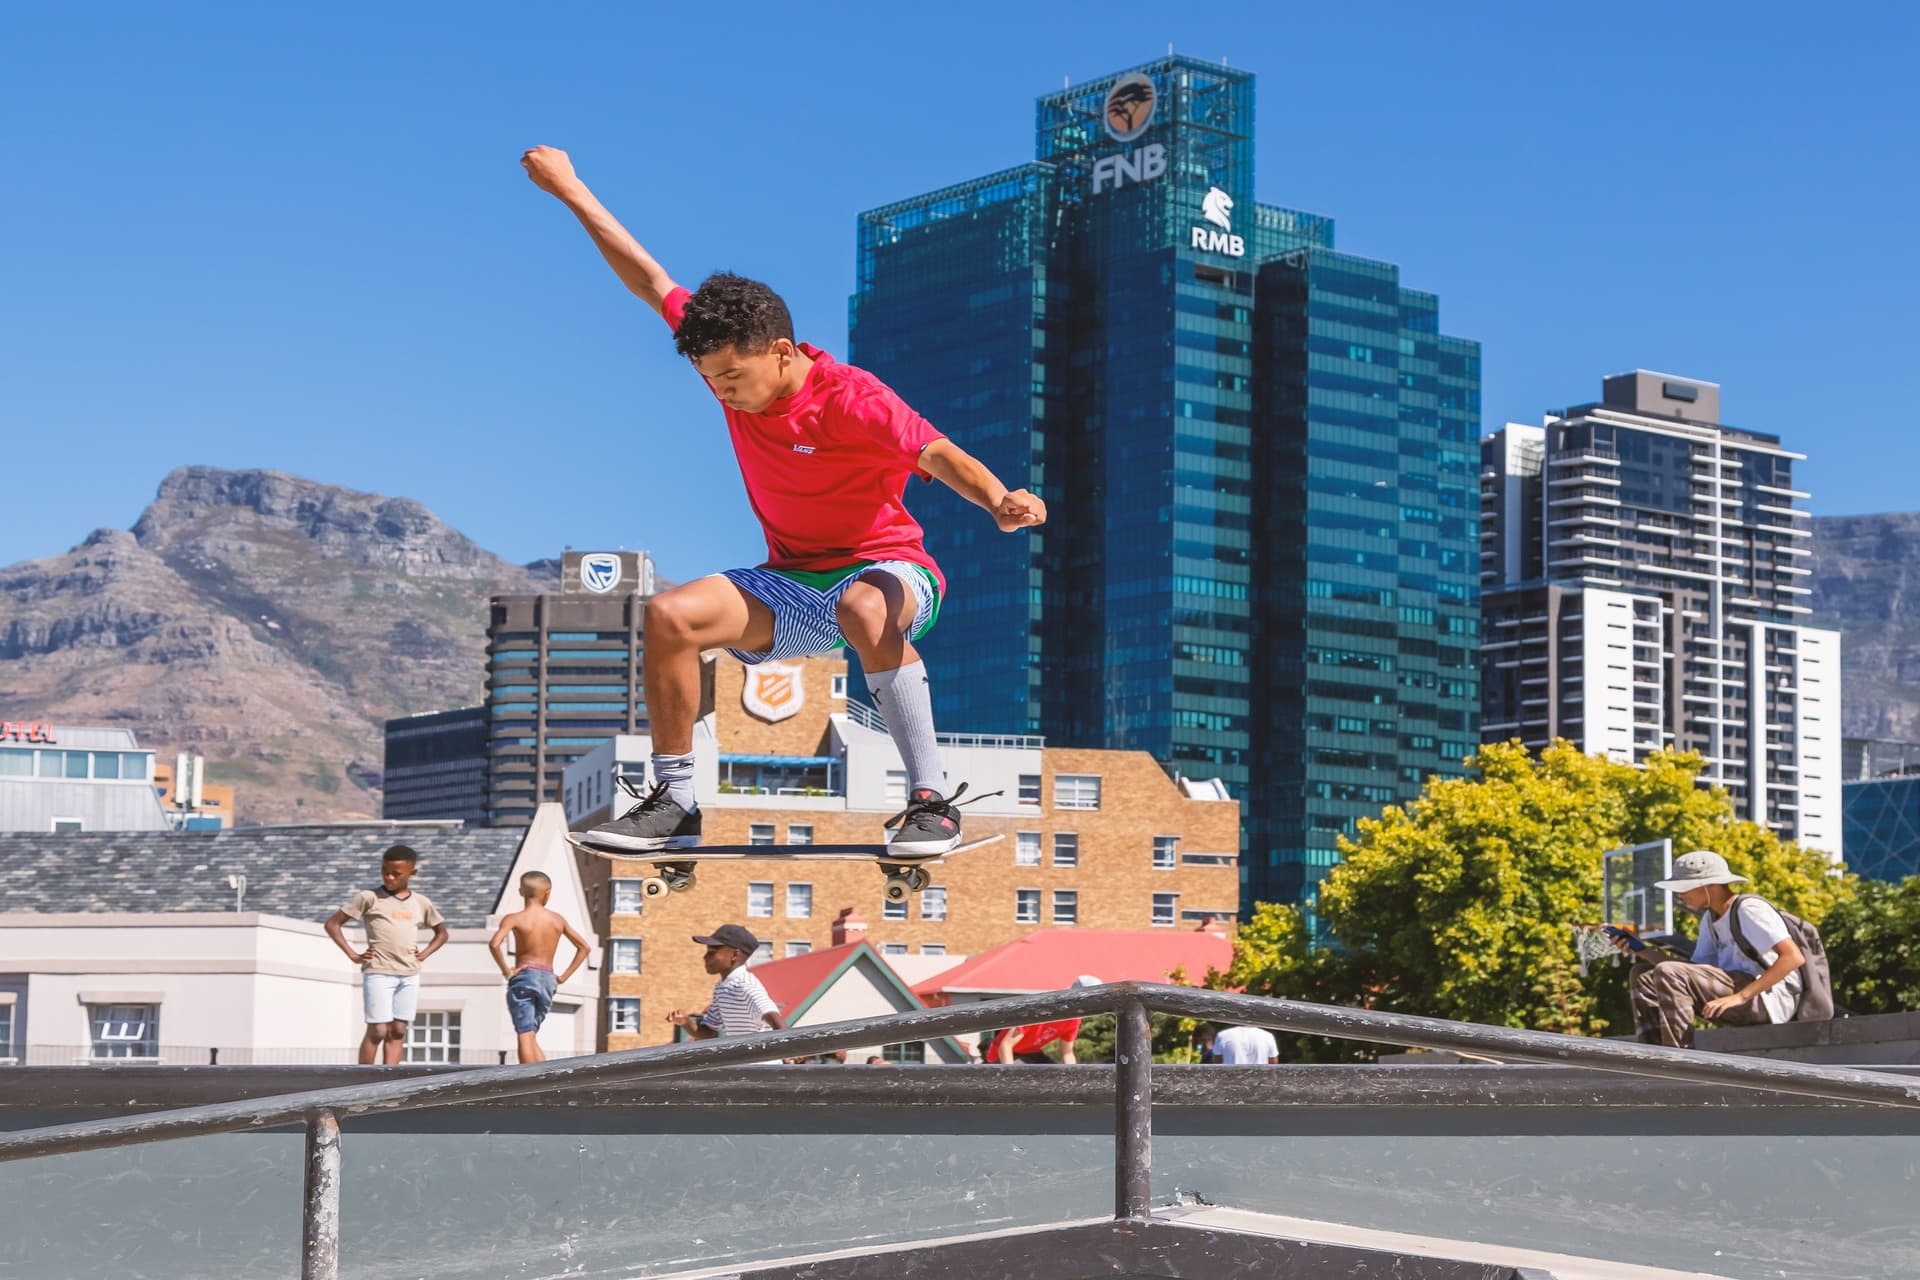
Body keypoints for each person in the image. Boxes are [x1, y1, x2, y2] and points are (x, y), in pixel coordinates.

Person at [522, 145, 1047, 858]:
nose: (723, 392)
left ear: (777, 351)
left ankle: (930, 801)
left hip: (893, 573)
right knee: (671, 615)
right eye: (711, 379)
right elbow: (650, 278)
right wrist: (571, 189)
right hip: (794, 582)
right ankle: (676, 802)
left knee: (864, 604)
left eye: (732, 376)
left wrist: (997, 500)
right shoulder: (728, 363)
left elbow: (938, 453)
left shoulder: (854, 399)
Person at [1614, 850, 1806, 1048]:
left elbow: (1793, 957)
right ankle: (1652, 1054)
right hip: (1738, 993)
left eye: (1685, 887)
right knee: (1642, 975)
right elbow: (1690, 972)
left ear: (1710, 885)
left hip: (1769, 1001)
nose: (1680, 895)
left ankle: (1679, 1057)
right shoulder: (1710, 919)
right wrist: (1642, 950)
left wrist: (1740, 997)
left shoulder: (1749, 909)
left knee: (1669, 971)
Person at [323, 845, 448, 1065]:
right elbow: (333, 924)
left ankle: (390, 1082)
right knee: (378, 1029)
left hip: (409, 974)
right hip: (378, 972)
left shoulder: (421, 902)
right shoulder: (369, 898)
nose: (389, 877)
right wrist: (353, 955)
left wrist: (424, 954)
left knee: (398, 1030)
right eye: (385, 872)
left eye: (396, 874)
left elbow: (442, 934)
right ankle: (363, 1079)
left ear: (412, 873)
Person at [488, 871, 590, 1063]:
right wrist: (563, 977)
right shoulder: (557, 920)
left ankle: (529, 1080)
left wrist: (507, 971)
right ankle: (545, 1076)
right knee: (531, 1033)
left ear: (521, 892)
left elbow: (494, 944)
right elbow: (584, 947)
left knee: (524, 1032)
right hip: (548, 979)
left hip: (525, 975)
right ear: (547, 893)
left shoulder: (514, 918)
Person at [667, 924, 785, 1040]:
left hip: (761, 1059)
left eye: (712, 952)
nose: (705, 957)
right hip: (743, 1058)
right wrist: (686, 1022)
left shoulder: (745, 985)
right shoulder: (722, 987)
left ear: (734, 954)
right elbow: (709, 1031)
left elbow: (772, 1015)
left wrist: (792, 1048)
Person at [983, 975, 1099, 1064]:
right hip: (1001, 1055)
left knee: (1058, 1078)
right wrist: (1009, 1077)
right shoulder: (1041, 1012)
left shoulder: (1073, 1020)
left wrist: (1076, 1079)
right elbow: (1005, 1046)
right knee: (1035, 1080)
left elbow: (1067, 1053)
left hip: (1031, 1053)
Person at [1211, 1023, 1280, 1065]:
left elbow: (1216, 1061)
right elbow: (1273, 1063)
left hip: (1231, 1082)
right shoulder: (1268, 1036)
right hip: (1259, 1082)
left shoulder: (1222, 1035)